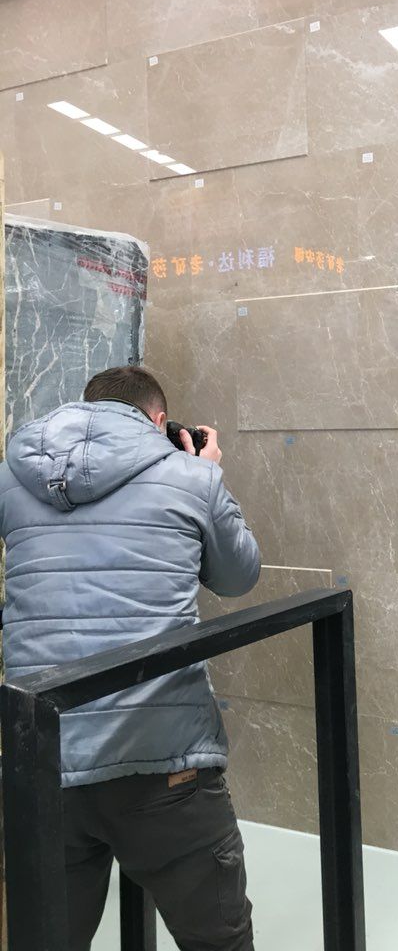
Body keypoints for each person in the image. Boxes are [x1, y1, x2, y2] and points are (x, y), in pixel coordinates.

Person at [0, 366, 261, 951]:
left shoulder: (12, 476)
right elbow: (239, 576)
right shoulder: (191, 475)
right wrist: (208, 473)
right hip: (162, 757)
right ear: (159, 421)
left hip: (43, 756)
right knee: (218, 940)